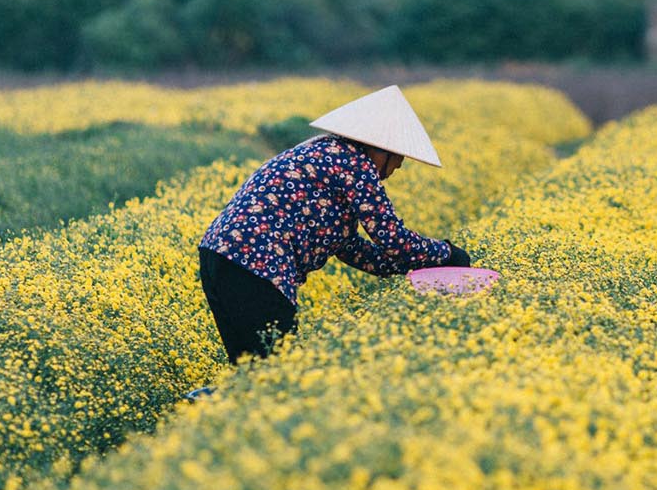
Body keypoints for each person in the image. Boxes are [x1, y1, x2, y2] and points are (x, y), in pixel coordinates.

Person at [196, 84, 471, 367]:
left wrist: (418, 267)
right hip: (255, 264)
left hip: (219, 257)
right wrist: (447, 254)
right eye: (396, 159)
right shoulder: (354, 163)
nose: (394, 169)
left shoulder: (325, 152)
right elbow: (392, 238)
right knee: (276, 371)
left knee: (253, 371)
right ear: (381, 150)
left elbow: (353, 250)